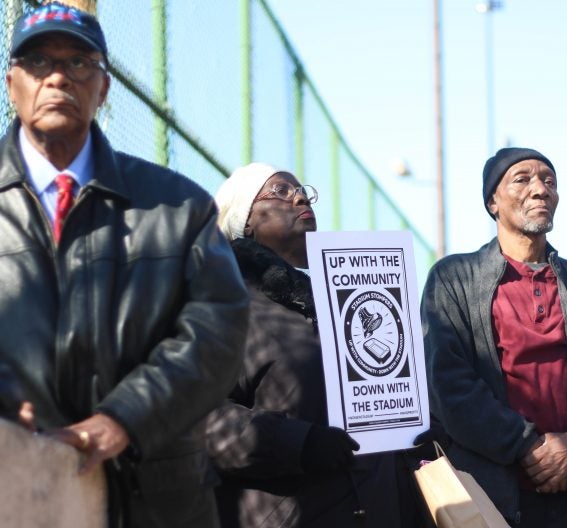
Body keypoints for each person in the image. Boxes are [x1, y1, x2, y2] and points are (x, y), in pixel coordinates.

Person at [0, 3, 249, 526]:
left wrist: (124, 418)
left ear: (104, 88)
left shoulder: (178, 205)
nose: (59, 77)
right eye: (40, 62)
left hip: (156, 498)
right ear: (12, 83)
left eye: (79, 63)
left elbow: (217, 328)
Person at [420, 147, 567, 527]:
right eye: (522, 179)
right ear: (493, 202)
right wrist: (529, 446)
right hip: (490, 502)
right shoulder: (453, 278)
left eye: (549, 181)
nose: (541, 189)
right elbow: (449, 386)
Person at [206, 163, 425, 528]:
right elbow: (196, 419)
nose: (300, 196)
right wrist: (298, 443)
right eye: (279, 190)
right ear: (246, 221)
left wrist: (418, 426)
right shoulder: (221, 302)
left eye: (302, 189)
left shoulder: (349, 299)